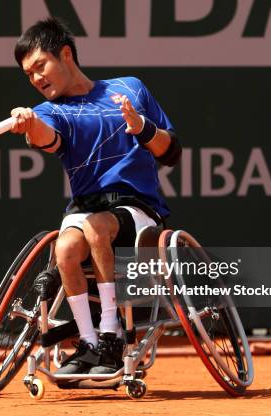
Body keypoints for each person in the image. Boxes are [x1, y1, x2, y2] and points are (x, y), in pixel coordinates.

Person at [10, 17, 181, 376]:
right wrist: (28, 123)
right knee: (65, 249)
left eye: (40, 66)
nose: (37, 78)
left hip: (136, 207)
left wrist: (143, 128)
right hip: (86, 206)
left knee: (94, 227)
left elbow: (171, 152)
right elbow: (46, 137)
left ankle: (110, 335)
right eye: (29, 75)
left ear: (66, 55)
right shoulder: (49, 111)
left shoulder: (130, 88)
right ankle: (89, 343)